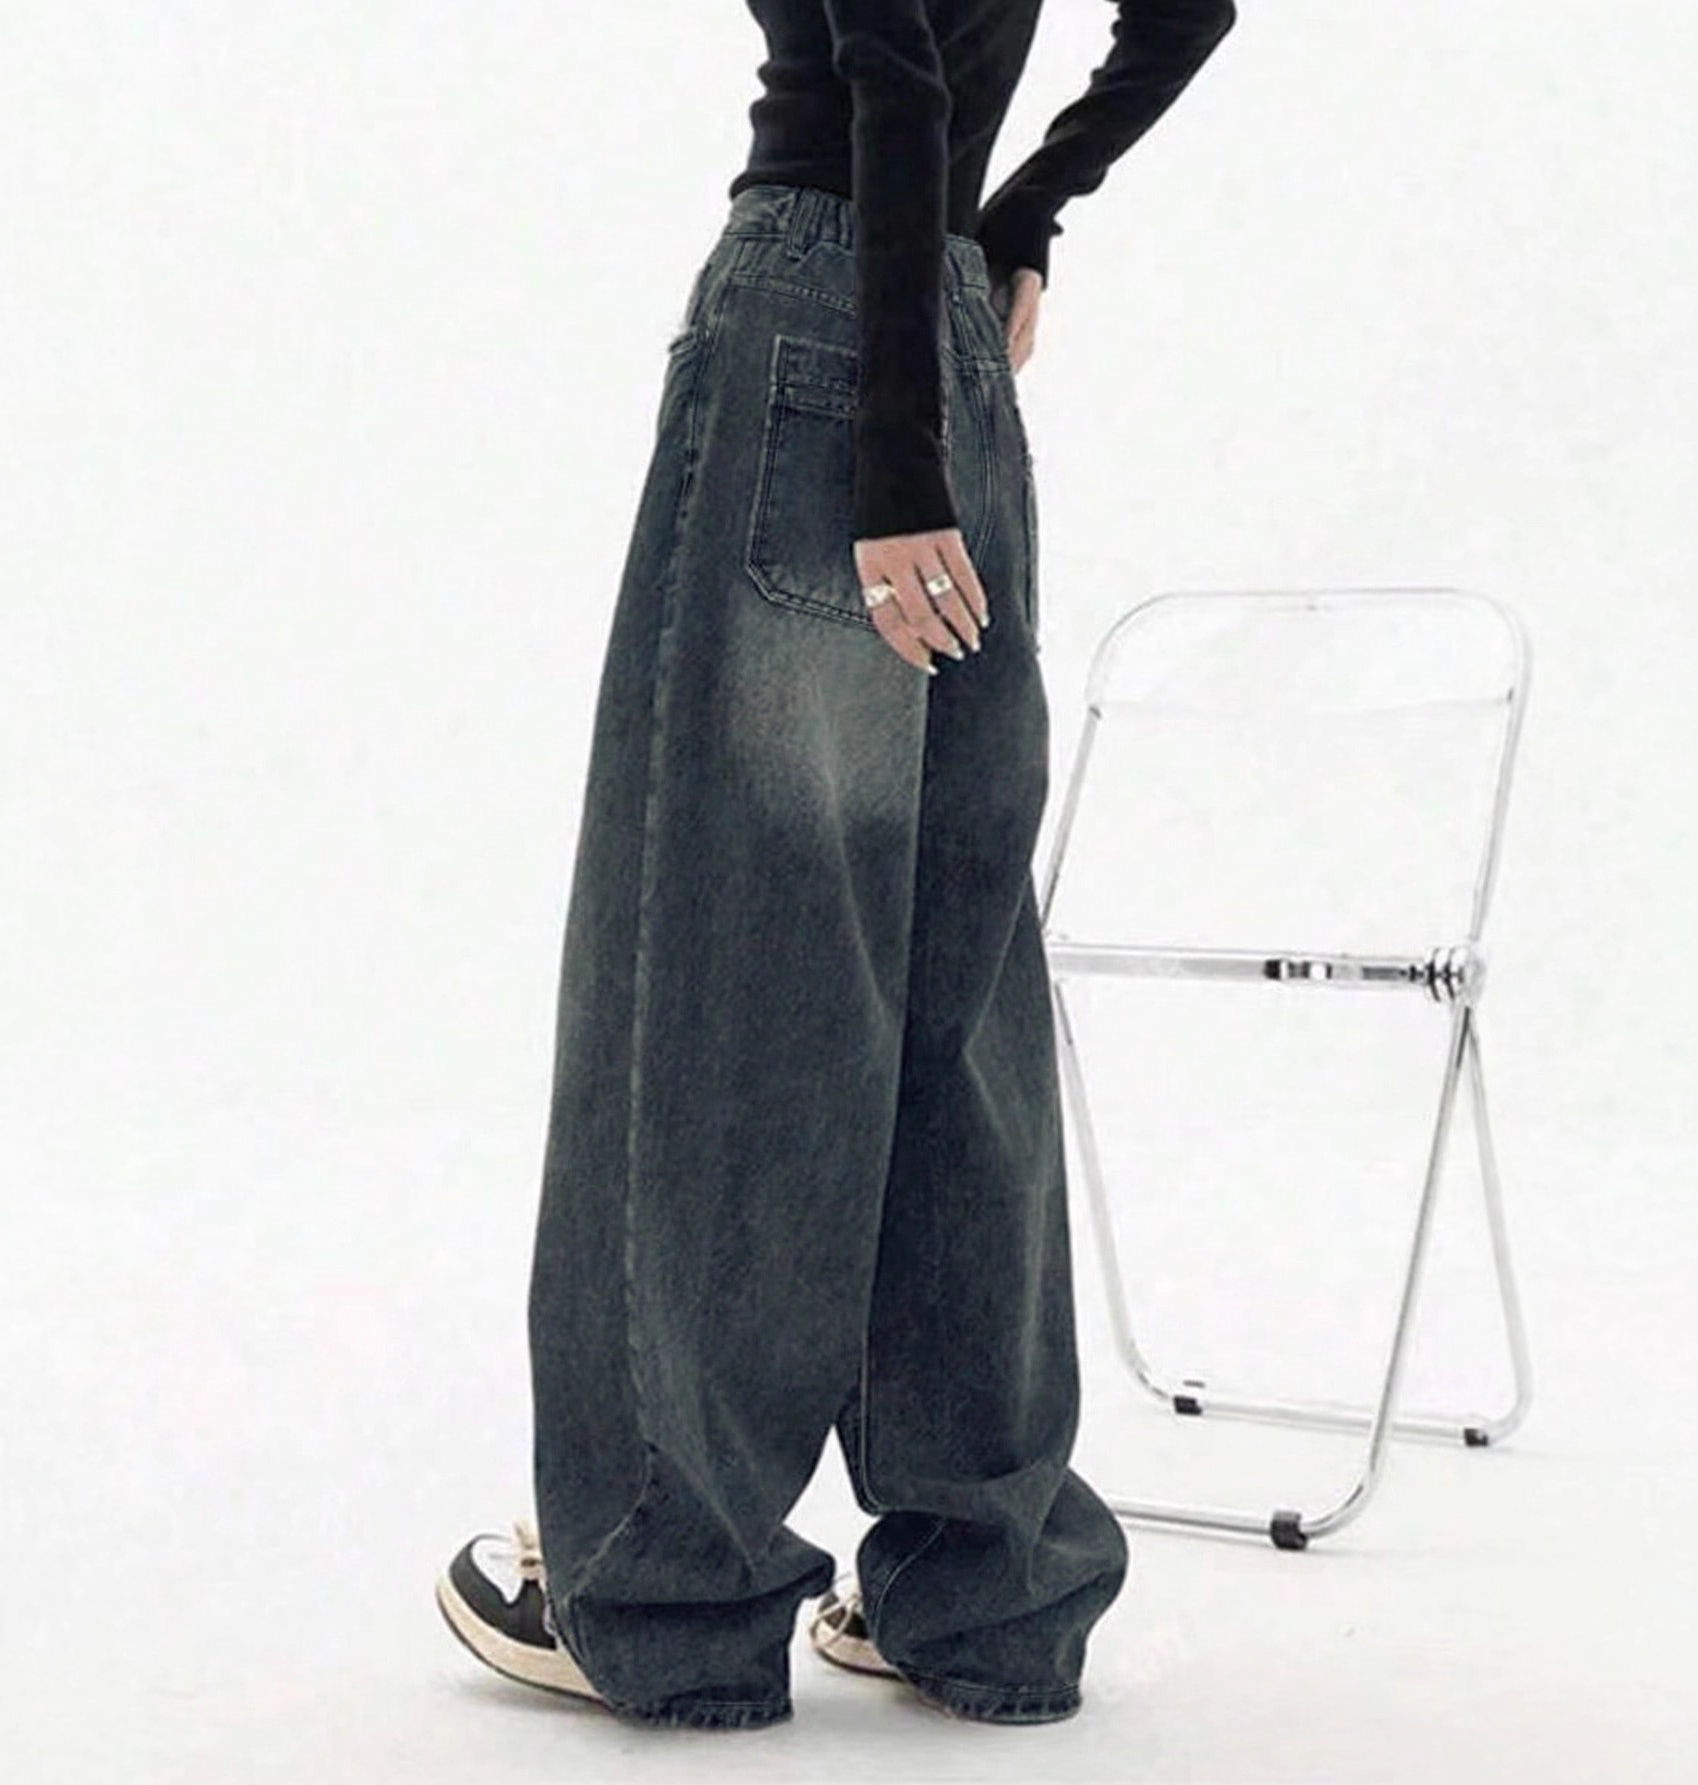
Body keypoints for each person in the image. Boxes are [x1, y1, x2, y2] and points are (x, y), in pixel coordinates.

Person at [435, 0, 1238, 1733]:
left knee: (721, 984)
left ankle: (663, 1584)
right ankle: (987, 1589)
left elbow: (883, 56)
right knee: (953, 996)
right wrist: (1020, 212)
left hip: (830, 345)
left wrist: (888, 461)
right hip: (938, 328)